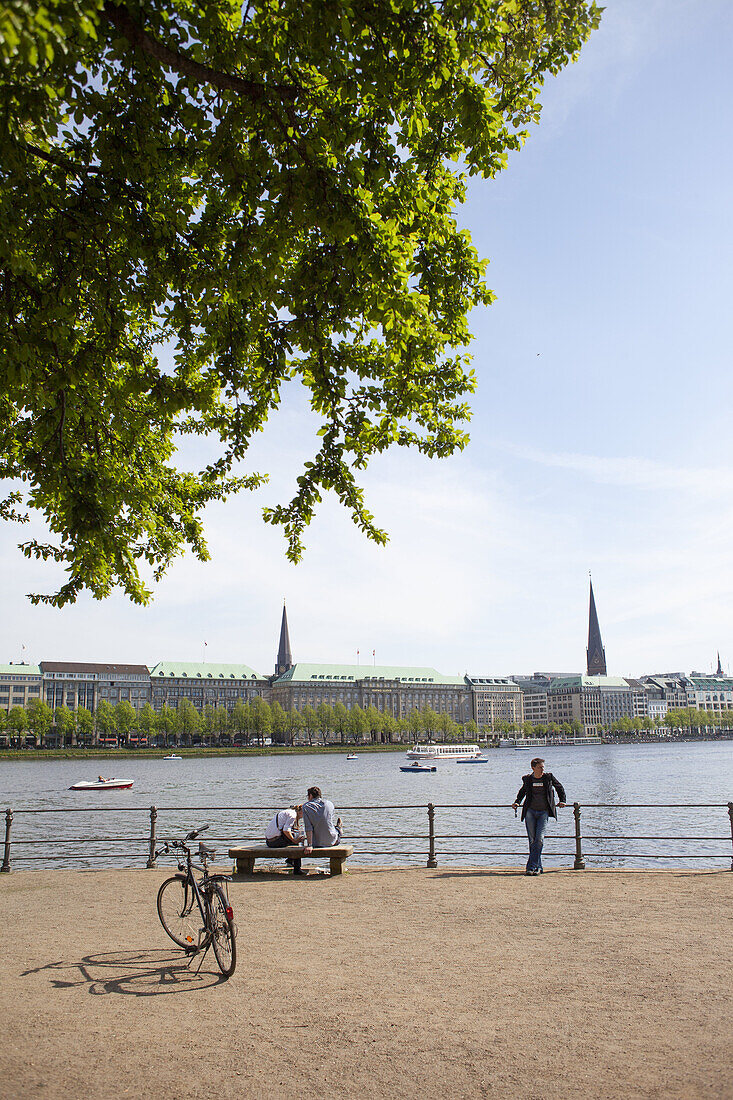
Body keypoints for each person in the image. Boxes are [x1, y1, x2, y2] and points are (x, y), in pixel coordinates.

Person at [512, 758, 566, 876]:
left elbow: (559, 787)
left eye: (543, 767)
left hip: (543, 812)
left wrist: (562, 800)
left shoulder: (548, 777)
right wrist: (517, 802)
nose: (543, 769)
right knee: (532, 840)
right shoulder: (528, 779)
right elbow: (523, 792)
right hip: (530, 812)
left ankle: (531, 867)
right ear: (533, 768)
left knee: (539, 839)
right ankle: (538, 867)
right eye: (540, 767)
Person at [265, 804, 305, 876]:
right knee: (296, 839)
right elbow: (286, 830)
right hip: (274, 841)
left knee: (294, 836)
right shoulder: (293, 815)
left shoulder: (288, 812)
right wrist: (294, 840)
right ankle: (297, 868)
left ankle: (290, 860)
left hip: (269, 840)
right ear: (300, 812)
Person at [301, 786, 343, 855]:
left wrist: (309, 845)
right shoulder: (329, 804)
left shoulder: (306, 807)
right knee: (333, 827)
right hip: (333, 841)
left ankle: (338, 828)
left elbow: (308, 828)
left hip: (317, 843)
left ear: (310, 795)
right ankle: (339, 828)